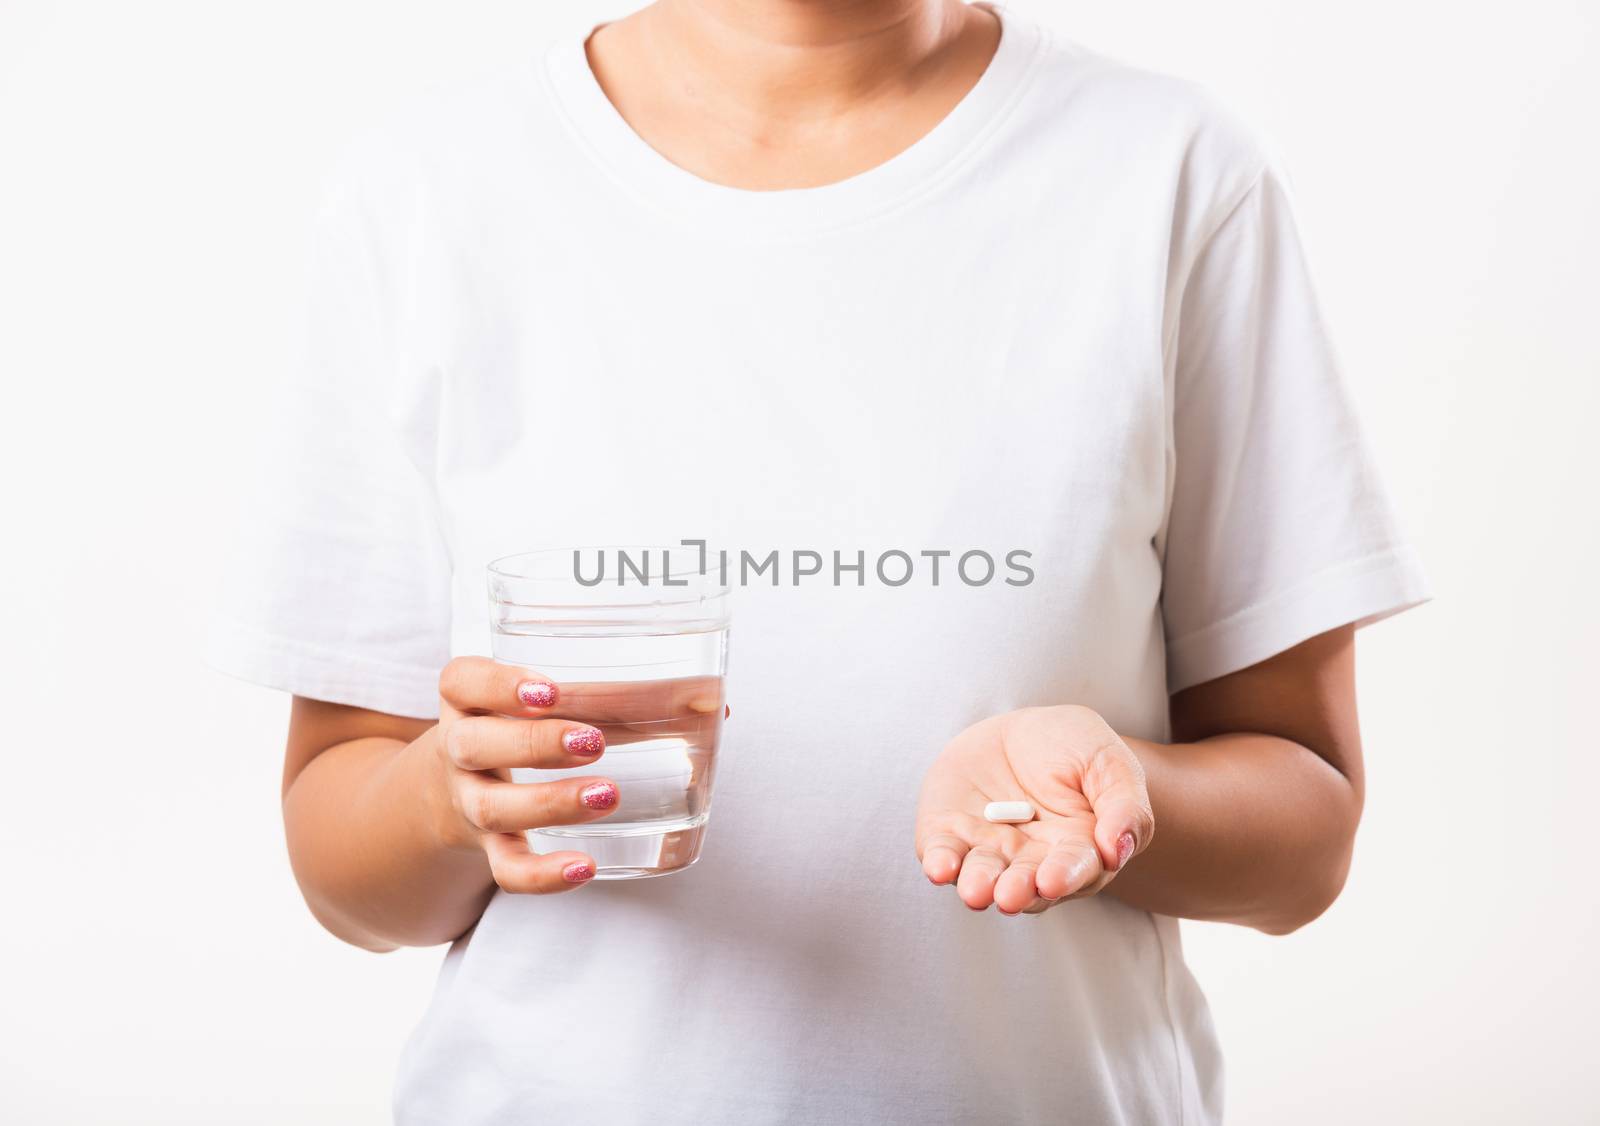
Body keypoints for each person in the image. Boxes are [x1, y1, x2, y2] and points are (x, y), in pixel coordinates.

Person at [209, 1, 1428, 1122]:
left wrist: (1129, 801)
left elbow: (1304, 834)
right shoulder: (431, 193)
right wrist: (451, 795)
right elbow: (344, 873)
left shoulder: (1168, 174)